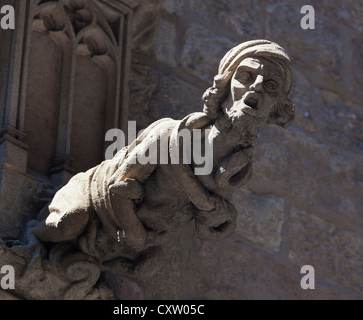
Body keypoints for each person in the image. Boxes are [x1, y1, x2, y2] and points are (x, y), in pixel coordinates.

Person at [32, 40, 294, 272]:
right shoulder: (169, 133)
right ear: (225, 87)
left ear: (276, 110)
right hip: (95, 202)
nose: (257, 88)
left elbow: (204, 220)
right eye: (246, 76)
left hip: (133, 236)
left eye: (271, 85)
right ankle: (28, 240)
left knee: (130, 264)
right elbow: (116, 188)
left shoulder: (237, 169)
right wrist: (135, 236)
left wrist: (223, 219)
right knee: (66, 224)